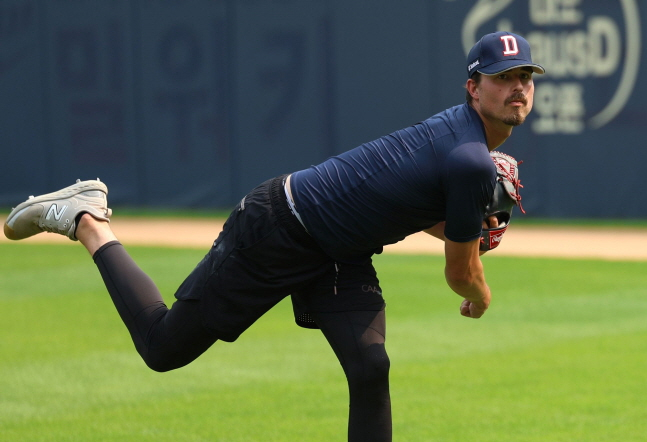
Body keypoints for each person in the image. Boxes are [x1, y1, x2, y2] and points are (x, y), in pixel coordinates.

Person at [3, 31, 543, 441]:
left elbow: (401, 205)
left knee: (370, 366)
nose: (518, 87)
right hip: (279, 228)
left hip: (341, 249)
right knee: (164, 347)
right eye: (503, 77)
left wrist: (457, 220)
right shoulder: (471, 158)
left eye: (525, 77)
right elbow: (461, 274)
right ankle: (86, 219)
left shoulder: (463, 142)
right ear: (474, 88)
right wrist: (480, 297)